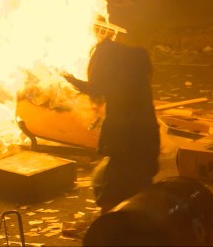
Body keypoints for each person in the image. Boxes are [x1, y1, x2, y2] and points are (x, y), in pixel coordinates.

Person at [63, 39, 160, 213]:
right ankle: (138, 222)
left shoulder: (119, 79)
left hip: (126, 143)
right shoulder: (134, 70)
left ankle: (113, 228)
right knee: (140, 185)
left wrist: (69, 79)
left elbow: (97, 88)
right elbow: (100, 88)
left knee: (112, 190)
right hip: (147, 139)